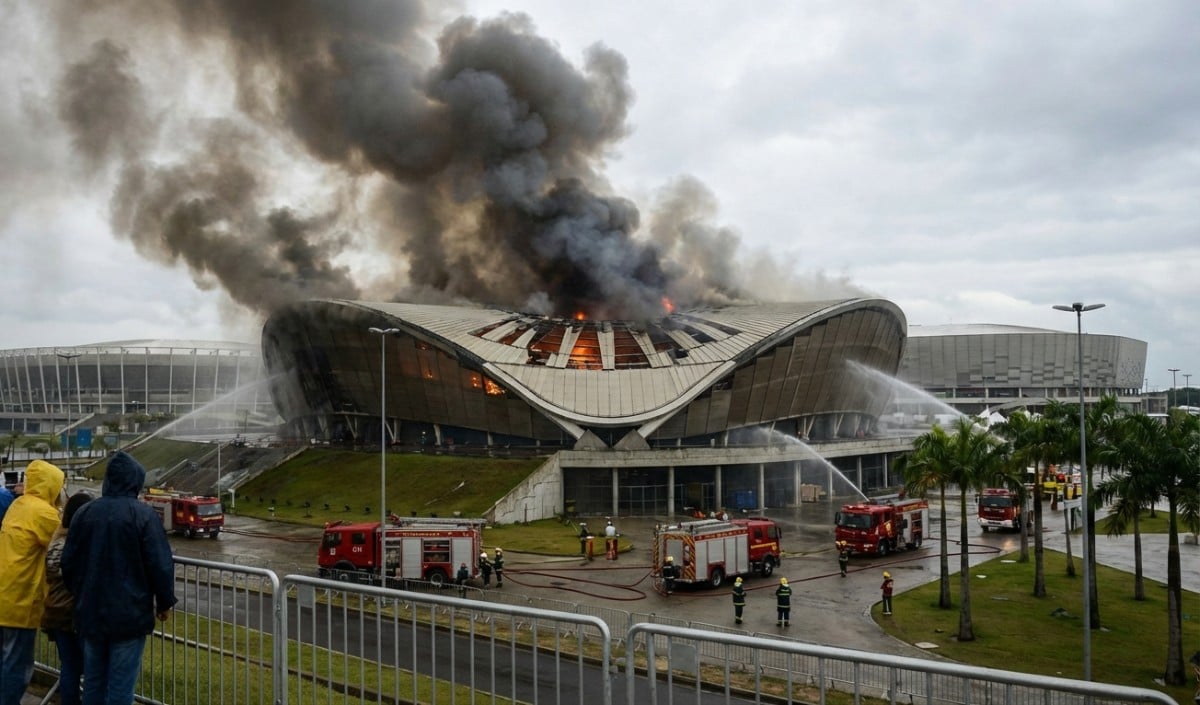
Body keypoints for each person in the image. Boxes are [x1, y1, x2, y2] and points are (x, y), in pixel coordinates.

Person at [61, 451, 177, 705]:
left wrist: (81, 593)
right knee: (120, 689)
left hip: (90, 615)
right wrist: (165, 602)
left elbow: (67, 563)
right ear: (135, 481)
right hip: (129, 618)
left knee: (93, 683)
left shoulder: (83, 514)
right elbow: (160, 564)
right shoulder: (144, 516)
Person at [0, 460, 65, 705]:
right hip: (21, 602)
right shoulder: (43, 513)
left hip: (4, 597)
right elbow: (64, 539)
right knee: (17, 668)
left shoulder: (20, 505)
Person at [42, 491, 94, 705]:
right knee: (91, 670)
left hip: (55, 613)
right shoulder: (78, 546)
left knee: (69, 669)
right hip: (75, 616)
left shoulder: (55, 541)